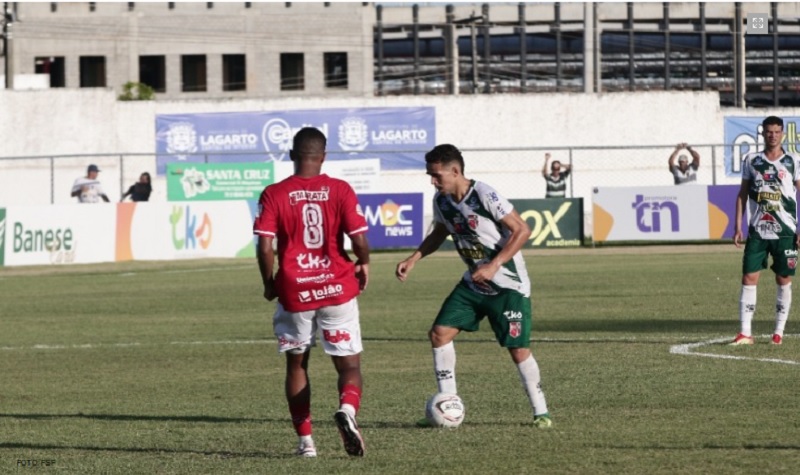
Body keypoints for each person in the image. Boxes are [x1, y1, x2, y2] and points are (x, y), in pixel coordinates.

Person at [395, 144, 552, 429]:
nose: (432, 180)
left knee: (517, 349)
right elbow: (440, 231)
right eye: (430, 175)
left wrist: (494, 265)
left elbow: (522, 229)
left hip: (508, 286)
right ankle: (448, 405)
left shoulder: (484, 194)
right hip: (474, 284)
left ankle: (541, 412)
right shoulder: (442, 200)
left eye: (436, 175)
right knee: (440, 333)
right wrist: (414, 258)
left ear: (455, 171)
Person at [253, 127, 370, 458]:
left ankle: (306, 443)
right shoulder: (340, 189)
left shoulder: (274, 193)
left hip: (295, 289)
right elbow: (359, 239)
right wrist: (364, 262)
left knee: (297, 365)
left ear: (292, 155)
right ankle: (347, 410)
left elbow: (265, 246)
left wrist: (268, 281)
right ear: (324, 157)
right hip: (337, 288)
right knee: (348, 366)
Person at [731, 116, 800, 346]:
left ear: (782, 134)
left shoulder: (793, 160)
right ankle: (745, 333)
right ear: (763, 134)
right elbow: (742, 193)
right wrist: (737, 225)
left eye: (777, 131)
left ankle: (778, 333)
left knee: (783, 279)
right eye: (769, 132)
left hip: (786, 232)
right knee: (749, 277)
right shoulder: (751, 160)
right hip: (758, 231)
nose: (773, 135)